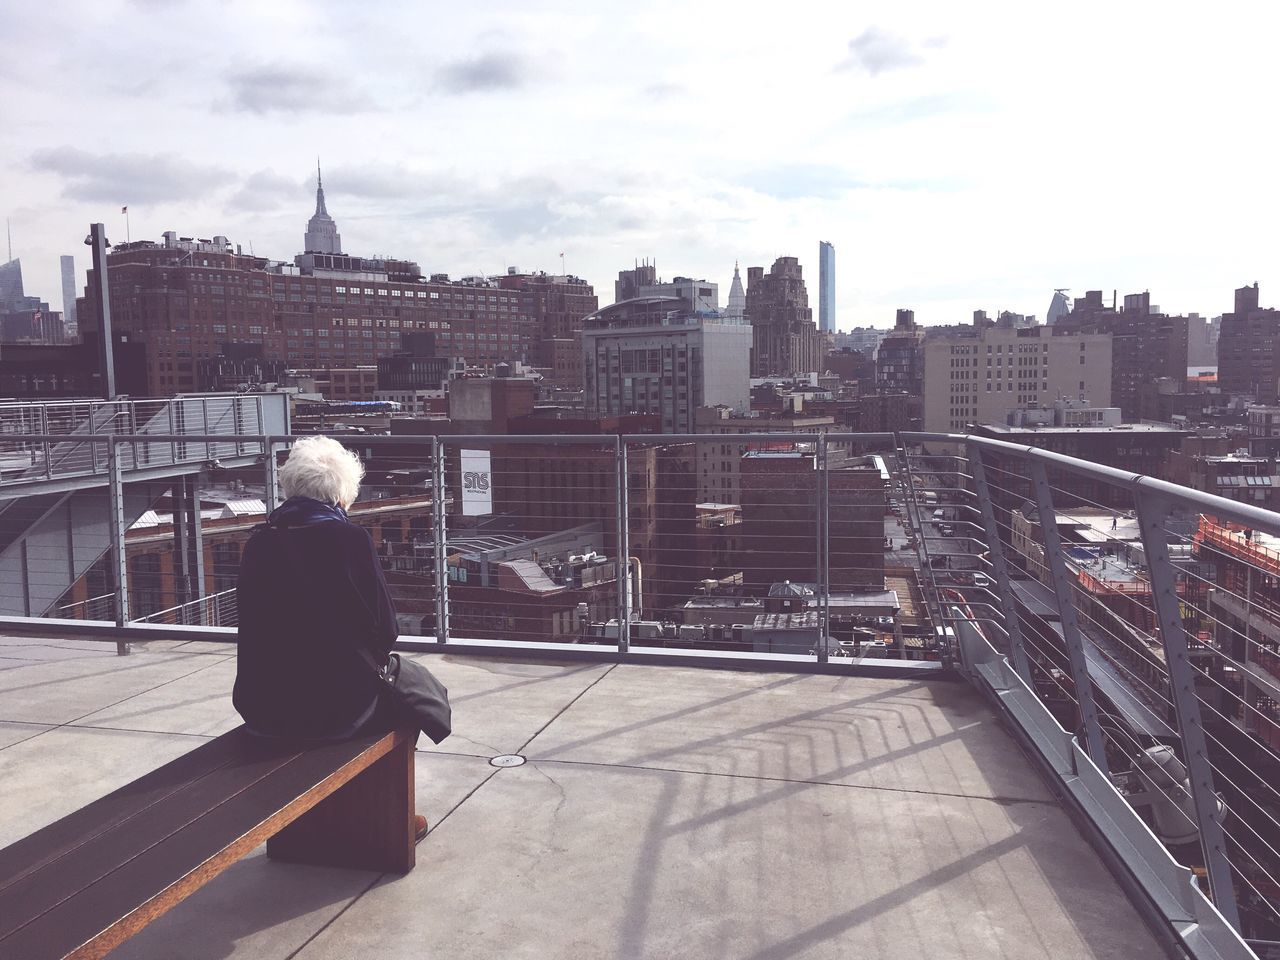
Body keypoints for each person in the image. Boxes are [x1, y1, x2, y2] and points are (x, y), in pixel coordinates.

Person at [233, 436, 427, 840]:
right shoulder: (349, 541)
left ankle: (311, 825)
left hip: (263, 706)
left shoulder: (258, 544)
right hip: (337, 710)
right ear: (342, 494)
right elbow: (386, 630)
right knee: (412, 695)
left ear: (291, 488)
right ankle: (389, 820)